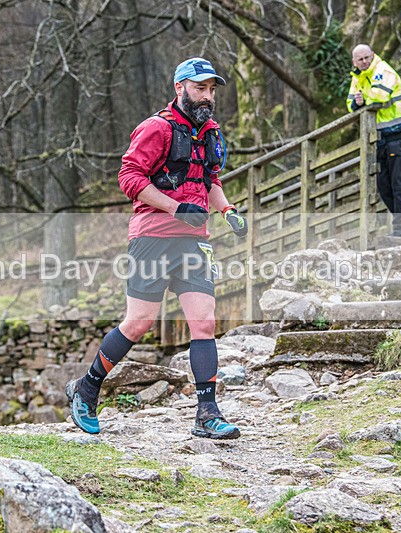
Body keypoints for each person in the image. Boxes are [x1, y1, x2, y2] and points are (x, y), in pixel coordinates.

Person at [65, 57, 248, 439]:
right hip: (152, 237)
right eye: (200, 88)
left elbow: (209, 180)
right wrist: (175, 207)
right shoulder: (156, 128)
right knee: (139, 322)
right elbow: (129, 177)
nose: (207, 97)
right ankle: (87, 387)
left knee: (204, 321)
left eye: (212, 90)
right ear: (179, 88)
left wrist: (228, 210)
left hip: (195, 241)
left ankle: (206, 414)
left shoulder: (210, 132)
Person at [347, 44, 401, 239]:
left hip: (400, 135)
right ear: (354, 62)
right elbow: (350, 104)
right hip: (381, 138)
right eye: (360, 59)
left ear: (373, 55)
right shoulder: (357, 78)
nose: (364, 62)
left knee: (399, 184)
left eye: (367, 57)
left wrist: (362, 100)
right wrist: (356, 103)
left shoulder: (383, 70)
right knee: (384, 187)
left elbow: (379, 97)